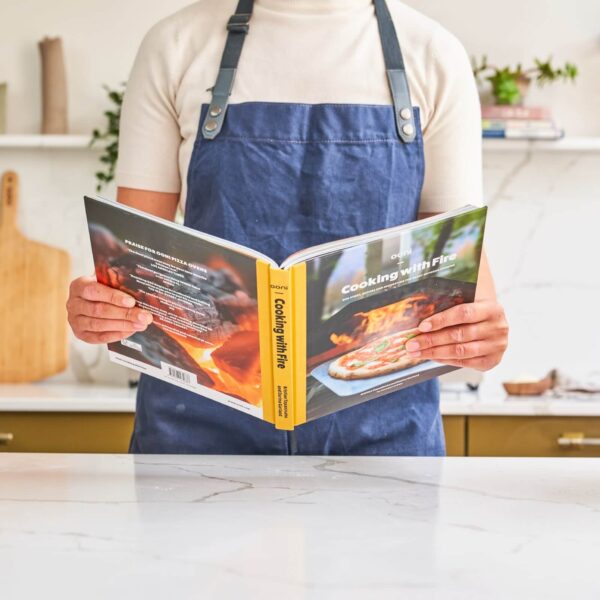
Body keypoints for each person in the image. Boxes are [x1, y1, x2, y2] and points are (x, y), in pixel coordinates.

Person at [67, 0, 509, 455]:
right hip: (196, 427)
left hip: (382, 433)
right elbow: (131, 261)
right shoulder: (174, 45)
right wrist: (101, 309)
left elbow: (466, 280)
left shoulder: (434, 53)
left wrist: (479, 337)